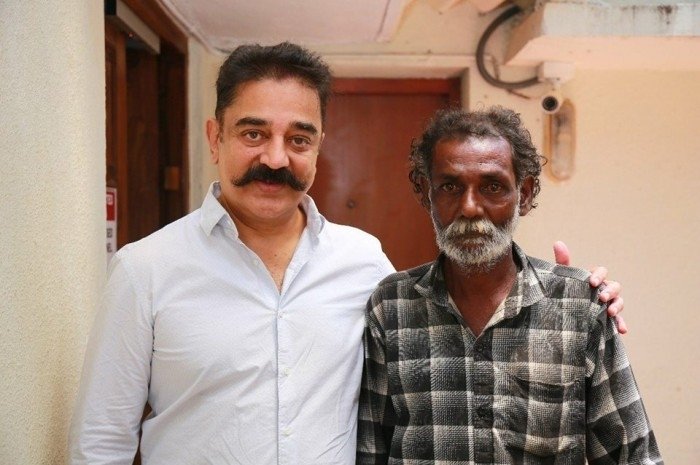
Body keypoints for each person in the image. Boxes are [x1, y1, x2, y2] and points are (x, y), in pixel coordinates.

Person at [69, 43, 624, 464]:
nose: (276, 158)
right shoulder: (145, 270)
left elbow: (447, 333)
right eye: (253, 133)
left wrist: (567, 300)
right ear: (216, 138)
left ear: (319, 148)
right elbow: (101, 443)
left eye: (299, 139)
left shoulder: (363, 262)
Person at [357, 107, 662, 464]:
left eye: (492, 187)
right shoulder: (391, 306)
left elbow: (633, 456)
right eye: (450, 186)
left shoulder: (580, 307)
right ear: (427, 194)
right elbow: (370, 453)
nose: (470, 208)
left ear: (525, 194)